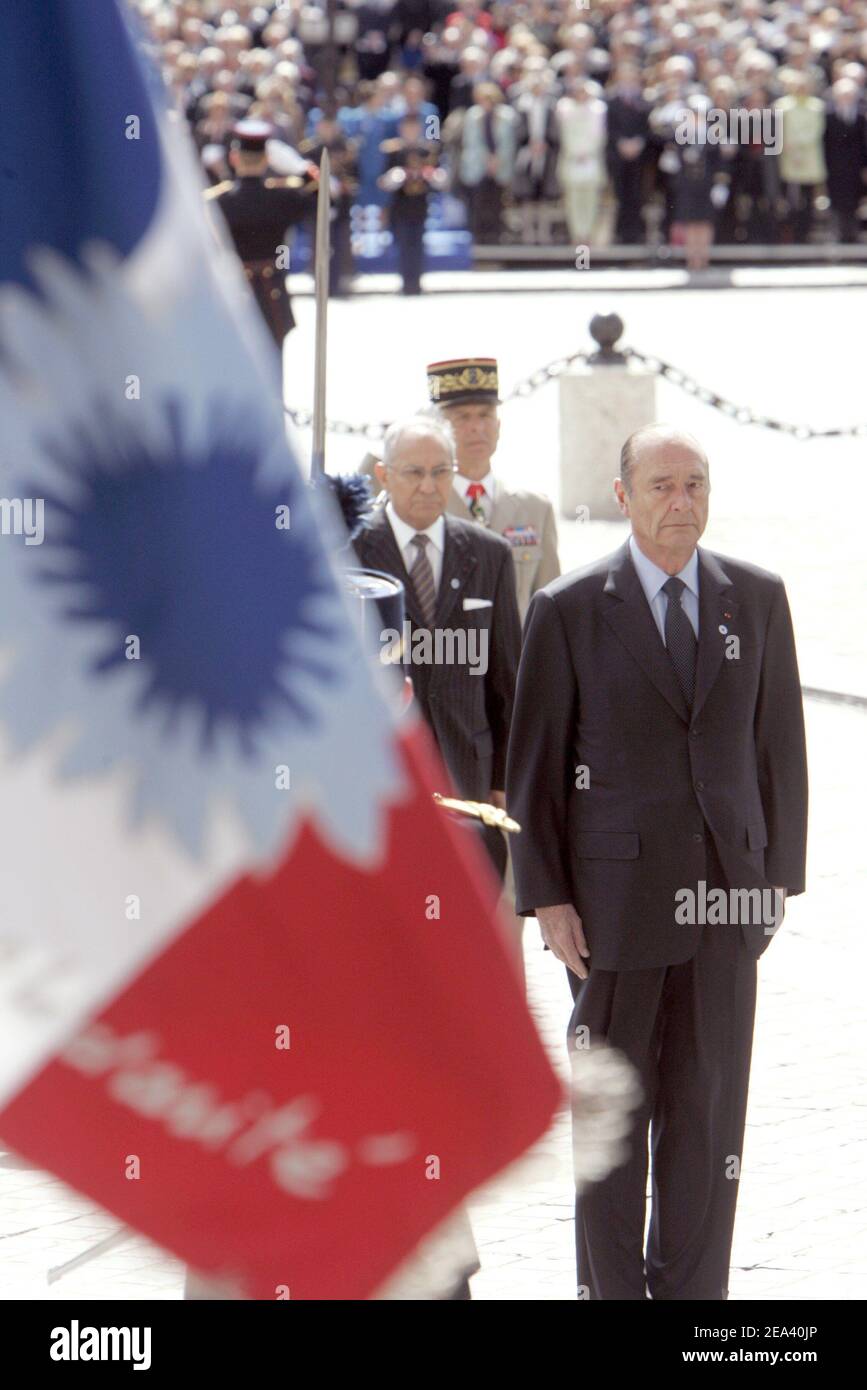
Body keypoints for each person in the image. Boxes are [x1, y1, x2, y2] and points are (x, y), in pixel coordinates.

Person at [506, 424, 808, 1300]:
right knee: (613, 1124)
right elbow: (535, 773)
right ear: (623, 494)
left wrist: (773, 886)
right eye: (663, 485)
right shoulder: (568, 608)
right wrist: (549, 897)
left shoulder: (752, 598)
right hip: (611, 914)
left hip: (724, 911)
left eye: (696, 484)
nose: (682, 502)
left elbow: (777, 746)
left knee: (707, 1124)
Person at [352, 415, 521, 883]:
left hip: (467, 779)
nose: (429, 486)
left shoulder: (489, 554)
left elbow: (508, 679)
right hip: (379, 781)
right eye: (413, 472)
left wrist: (502, 777)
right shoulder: (348, 553)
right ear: (384, 474)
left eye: (440, 472)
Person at [204, 120, 316, 346]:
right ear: (267, 159)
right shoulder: (284, 198)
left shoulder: (217, 202)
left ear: (234, 158)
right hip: (272, 291)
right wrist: (301, 169)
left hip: (233, 293)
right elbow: (325, 196)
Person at [379, 115, 448, 294]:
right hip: (399, 205)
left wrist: (432, 175)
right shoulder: (393, 151)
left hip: (420, 204)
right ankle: (405, 282)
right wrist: (396, 176)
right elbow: (383, 181)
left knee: (417, 244)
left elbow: (440, 178)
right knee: (402, 245)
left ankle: (416, 283)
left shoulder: (427, 150)